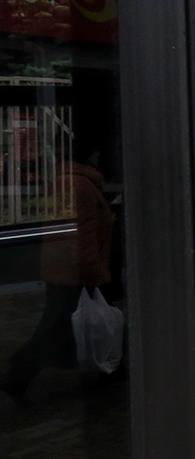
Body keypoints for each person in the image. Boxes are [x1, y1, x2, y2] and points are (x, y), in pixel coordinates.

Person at [1, 143, 116, 401]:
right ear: (86, 154)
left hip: (63, 266)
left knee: (62, 324)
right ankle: (18, 374)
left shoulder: (66, 181)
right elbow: (82, 233)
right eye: (95, 150)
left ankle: (112, 368)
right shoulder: (81, 185)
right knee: (58, 328)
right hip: (74, 270)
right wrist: (91, 272)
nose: (99, 153)